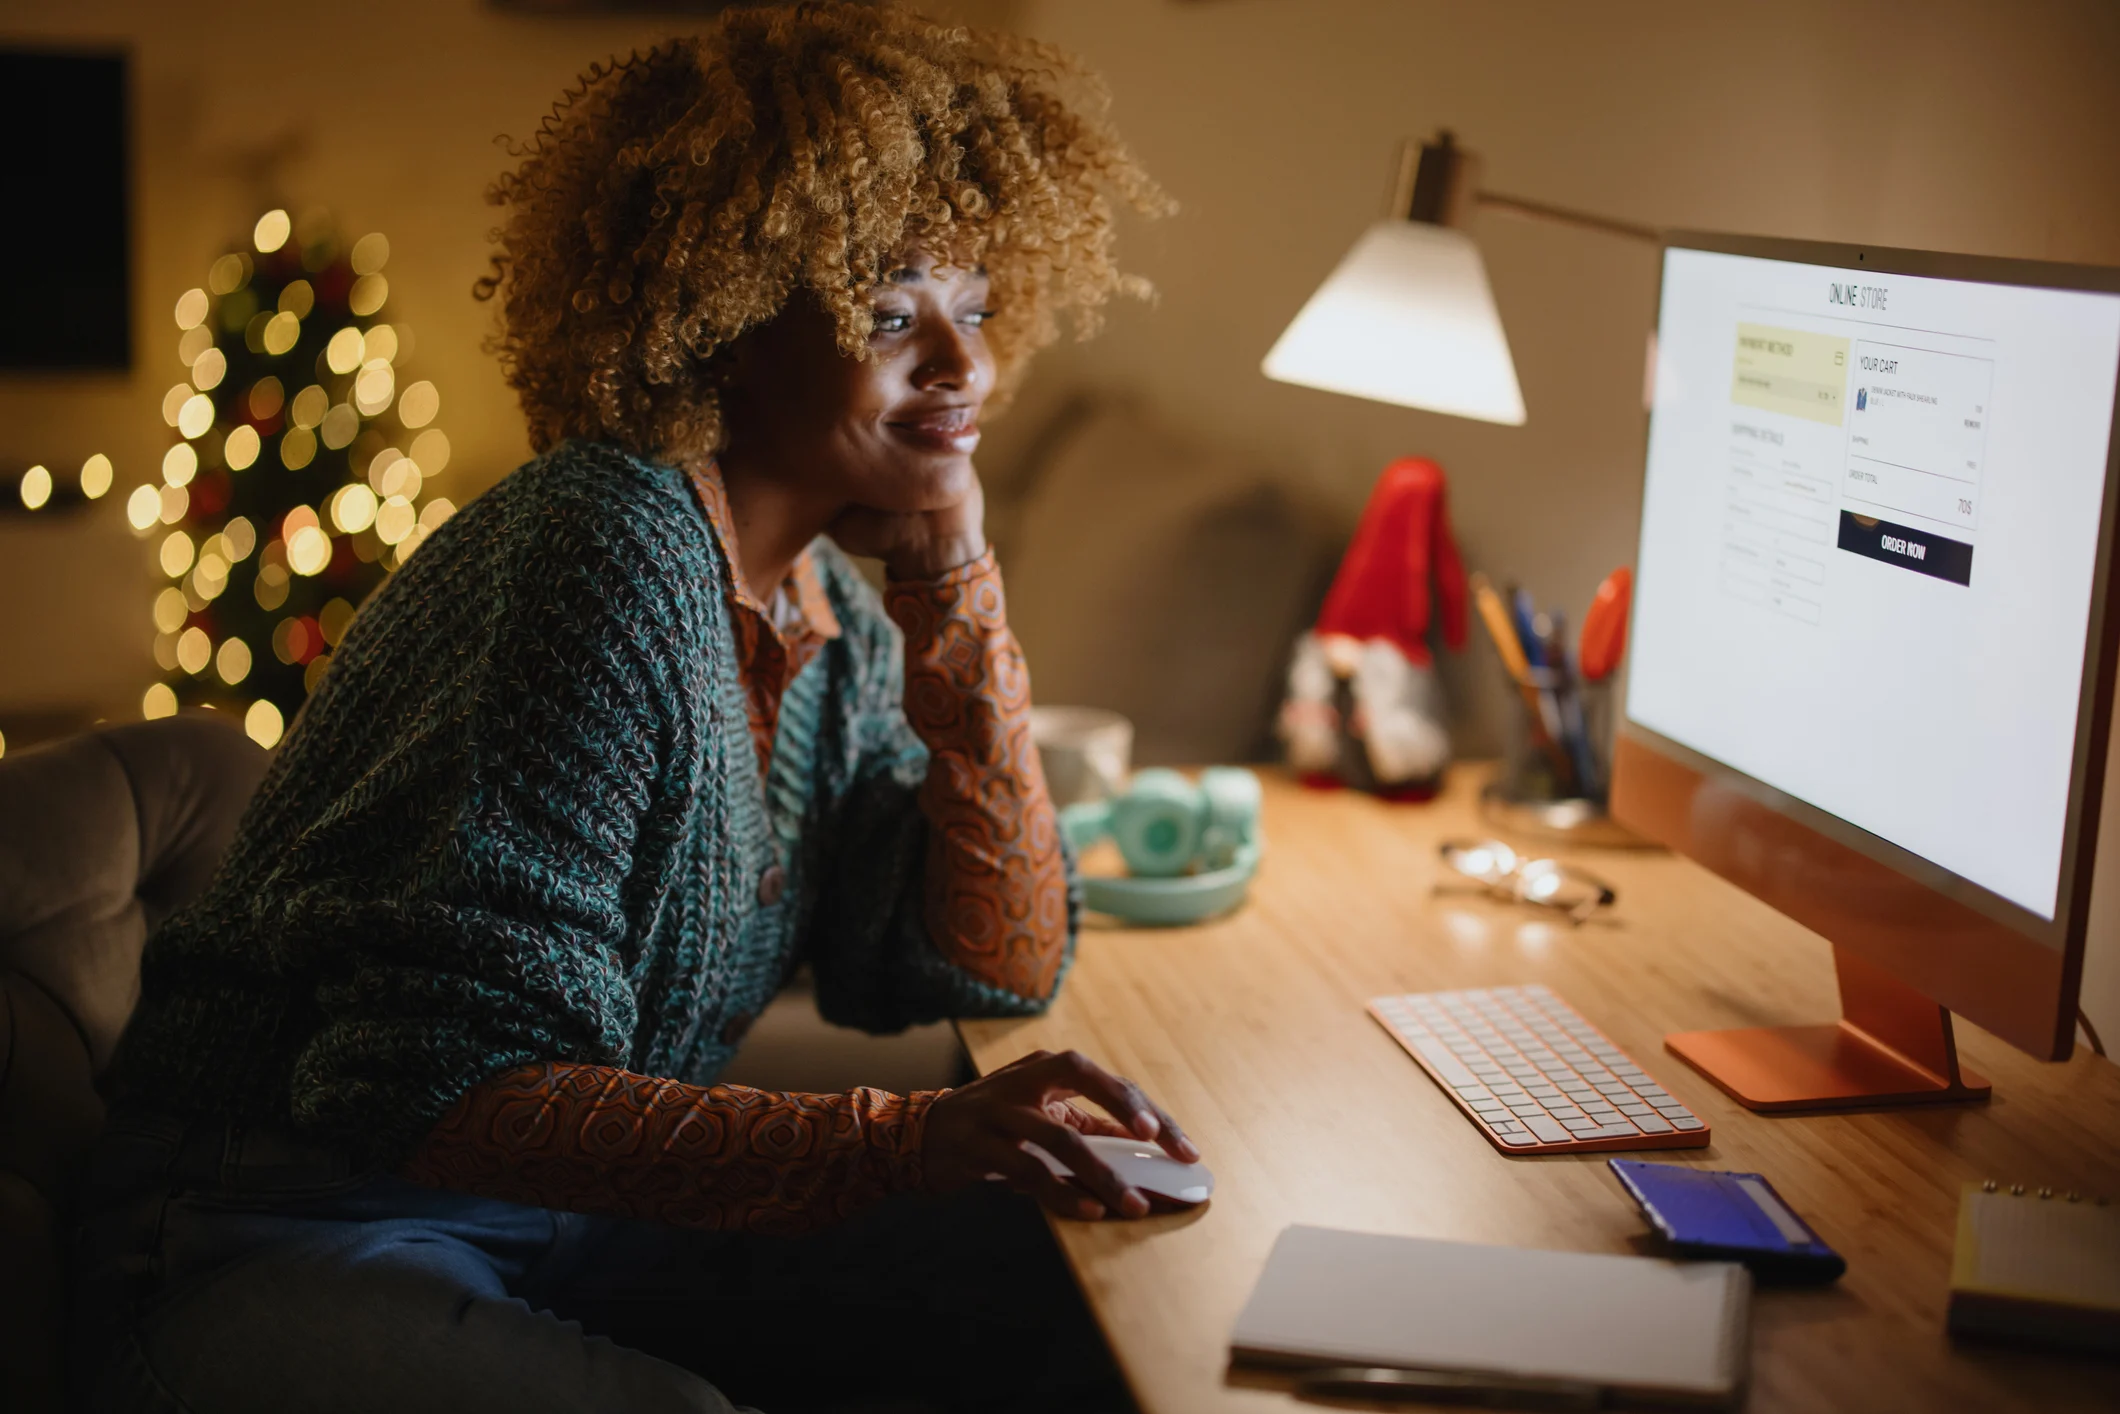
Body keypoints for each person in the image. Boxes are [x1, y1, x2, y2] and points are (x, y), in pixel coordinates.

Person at [71, 6, 1186, 1411]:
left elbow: (993, 961)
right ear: (722, 312)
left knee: (1035, 1291)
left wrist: (960, 580)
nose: (961, 368)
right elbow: (435, 1083)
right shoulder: (609, 545)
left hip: (555, 1224)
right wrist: (899, 1140)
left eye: (974, 306)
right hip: (276, 1232)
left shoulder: (814, 620)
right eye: (892, 312)